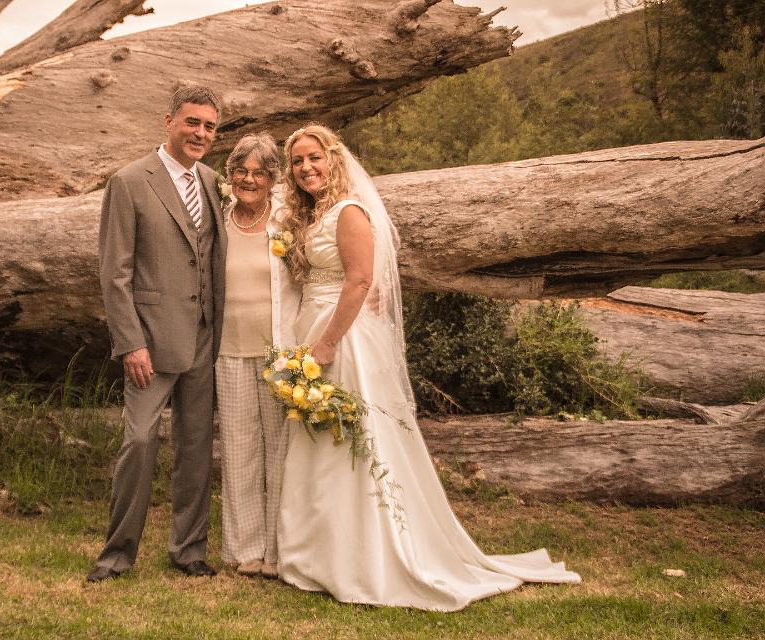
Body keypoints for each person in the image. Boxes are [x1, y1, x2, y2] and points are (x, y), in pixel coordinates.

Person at [275, 124, 581, 611]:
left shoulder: (349, 211)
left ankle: (366, 558)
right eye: (297, 161)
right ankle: (318, 553)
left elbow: (360, 282)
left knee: (354, 440)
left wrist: (328, 343)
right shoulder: (315, 214)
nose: (306, 167)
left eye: (315, 157)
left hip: (341, 339)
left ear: (334, 158)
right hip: (317, 329)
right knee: (326, 440)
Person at [90, 85, 226, 582]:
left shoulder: (213, 182)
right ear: (168, 121)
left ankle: (189, 550)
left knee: (196, 448)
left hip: (204, 338)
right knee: (139, 442)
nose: (200, 133)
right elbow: (115, 273)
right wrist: (130, 343)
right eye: (192, 122)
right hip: (149, 340)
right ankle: (117, 555)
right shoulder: (128, 181)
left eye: (209, 126)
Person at [216, 133, 301, 579]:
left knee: (281, 452)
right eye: (240, 171)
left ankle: (280, 550)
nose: (248, 180)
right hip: (228, 350)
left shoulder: (287, 219)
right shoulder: (217, 220)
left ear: (272, 179)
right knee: (238, 450)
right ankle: (244, 549)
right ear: (230, 175)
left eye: (258, 173)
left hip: (279, 354)